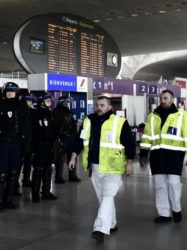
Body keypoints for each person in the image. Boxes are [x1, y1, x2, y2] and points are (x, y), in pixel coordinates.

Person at [68, 95, 135, 243]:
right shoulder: (88, 121)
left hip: (113, 167)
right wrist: (73, 157)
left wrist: (129, 162)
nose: (99, 108)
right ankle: (111, 223)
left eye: (103, 105)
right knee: (104, 198)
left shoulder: (119, 122)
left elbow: (130, 144)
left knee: (107, 196)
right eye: (97, 105)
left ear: (110, 107)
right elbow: (79, 141)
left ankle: (99, 229)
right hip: (95, 167)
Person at [139, 90, 187, 223]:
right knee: (160, 185)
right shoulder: (152, 116)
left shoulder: (182, 115)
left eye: (166, 98)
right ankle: (164, 214)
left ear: (172, 99)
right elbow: (147, 136)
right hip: (157, 155)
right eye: (161, 98)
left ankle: (177, 209)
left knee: (174, 183)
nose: (163, 101)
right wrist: (143, 152)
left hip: (175, 155)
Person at [0, 82, 31, 212]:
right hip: (3, 144)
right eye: (8, 91)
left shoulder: (22, 105)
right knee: (1, 173)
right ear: (4, 92)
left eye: (13, 91)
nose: (10, 93)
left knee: (13, 173)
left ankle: (8, 199)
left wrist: (27, 143)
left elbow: (27, 125)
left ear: (17, 92)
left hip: (17, 144)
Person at [31, 93, 57, 202]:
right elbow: (33, 131)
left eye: (50, 101)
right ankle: (35, 194)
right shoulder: (36, 114)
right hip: (39, 146)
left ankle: (46, 191)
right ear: (42, 101)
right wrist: (35, 145)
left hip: (49, 145)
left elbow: (52, 128)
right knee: (38, 170)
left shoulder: (49, 113)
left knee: (48, 169)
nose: (49, 103)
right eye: (47, 101)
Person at [53, 96, 80, 183]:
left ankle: (72, 175)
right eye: (66, 103)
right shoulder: (56, 112)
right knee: (60, 158)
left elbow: (73, 126)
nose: (67, 104)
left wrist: (75, 137)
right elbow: (56, 126)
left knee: (72, 157)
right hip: (61, 138)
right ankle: (58, 177)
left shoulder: (69, 112)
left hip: (70, 138)